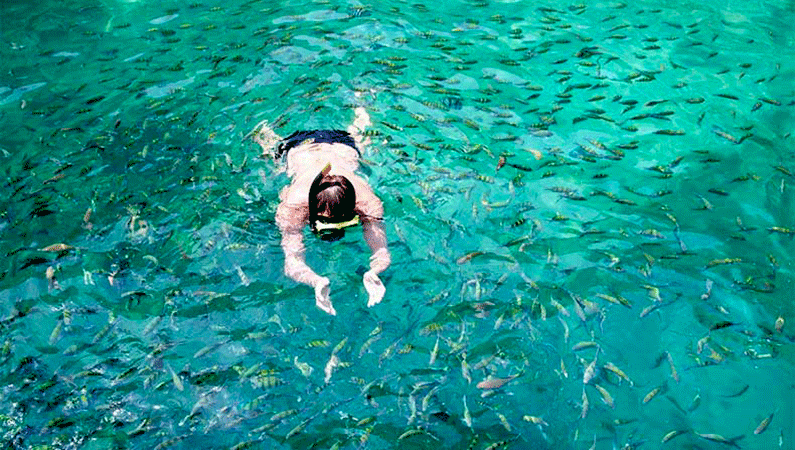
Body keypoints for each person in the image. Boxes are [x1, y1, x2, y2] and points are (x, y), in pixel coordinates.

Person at [250, 107, 390, 316]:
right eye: (327, 222)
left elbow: (381, 253)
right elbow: (292, 261)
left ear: (353, 208)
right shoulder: (294, 205)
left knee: (360, 135)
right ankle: (266, 135)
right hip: (297, 146)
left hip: (343, 145)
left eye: (342, 221)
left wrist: (374, 272)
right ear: (311, 211)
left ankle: (362, 111)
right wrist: (316, 281)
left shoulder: (368, 203)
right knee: (270, 153)